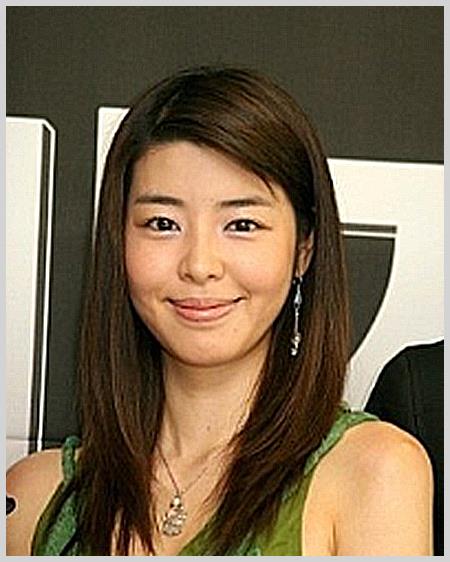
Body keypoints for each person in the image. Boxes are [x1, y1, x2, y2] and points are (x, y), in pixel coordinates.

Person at [6, 66, 433, 556]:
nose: (200, 265)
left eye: (242, 224)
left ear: (304, 250)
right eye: (162, 223)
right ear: (118, 242)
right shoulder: (36, 499)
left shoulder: (372, 472)